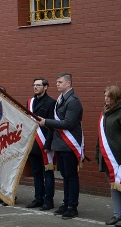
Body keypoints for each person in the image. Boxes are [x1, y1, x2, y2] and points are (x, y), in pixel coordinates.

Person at [38, 72, 84, 220]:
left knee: (71, 176)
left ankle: (72, 206)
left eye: (60, 82)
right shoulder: (61, 100)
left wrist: (47, 122)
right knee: (65, 176)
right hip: (60, 144)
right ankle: (66, 203)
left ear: (69, 84)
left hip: (69, 144)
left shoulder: (73, 101)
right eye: (57, 82)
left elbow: (68, 123)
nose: (57, 84)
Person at [96, 86, 121, 226]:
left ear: (117, 98)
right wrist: (98, 154)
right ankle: (117, 215)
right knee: (114, 187)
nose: (106, 98)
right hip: (107, 158)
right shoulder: (105, 113)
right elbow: (101, 137)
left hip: (120, 159)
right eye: (105, 95)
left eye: (109, 96)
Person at [26, 78, 56, 210]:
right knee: (36, 173)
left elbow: (51, 125)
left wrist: (48, 144)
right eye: (34, 85)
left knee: (47, 174)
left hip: (45, 143)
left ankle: (48, 201)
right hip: (32, 143)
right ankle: (38, 198)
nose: (35, 87)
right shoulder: (30, 102)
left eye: (38, 85)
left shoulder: (51, 103)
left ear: (46, 87)